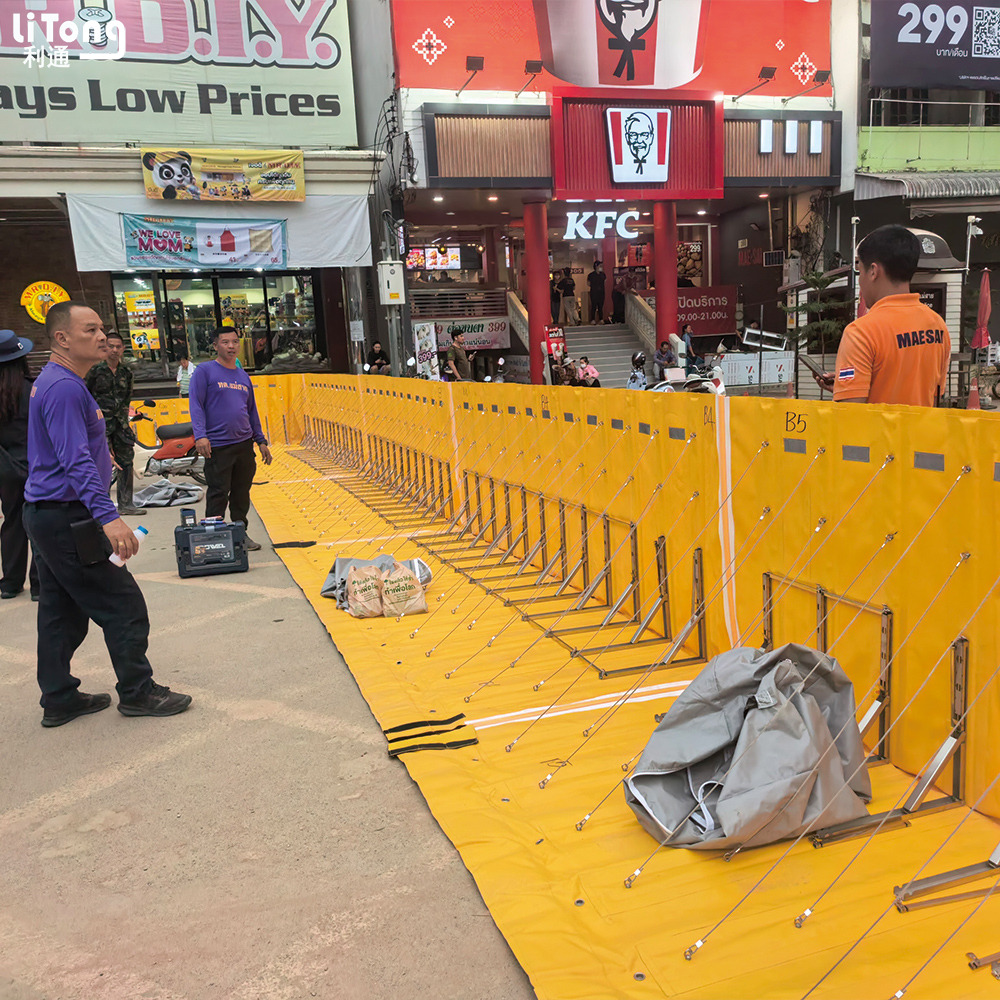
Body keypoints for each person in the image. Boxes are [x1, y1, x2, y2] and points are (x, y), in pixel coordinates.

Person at [23, 301, 191, 726]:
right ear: (62, 338)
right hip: (68, 517)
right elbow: (74, 459)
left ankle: (59, 697)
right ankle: (137, 692)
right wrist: (109, 517)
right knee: (123, 604)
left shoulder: (62, 382)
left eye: (102, 329)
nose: (102, 337)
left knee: (62, 611)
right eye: (90, 330)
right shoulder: (63, 388)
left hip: (49, 513)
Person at [815, 225, 951, 406]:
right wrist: (847, 385)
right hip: (922, 434)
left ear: (873, 271)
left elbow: (850, 412)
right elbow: (935, 396)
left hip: (877, 435)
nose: (860, 280)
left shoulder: (861, 332)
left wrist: (848, 391)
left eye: (860, 271)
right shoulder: (937, 325)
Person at [190, 328, 273, 551]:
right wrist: (201, 436)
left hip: (244, 444)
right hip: (217, 445)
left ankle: (239, 533)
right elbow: (196, 405)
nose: (231, 346)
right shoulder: (205, 371)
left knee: (241, 493)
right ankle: (214, 537)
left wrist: (261, 440)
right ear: (215, 345)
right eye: (225, 342)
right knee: (218, 492)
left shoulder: (242, 375)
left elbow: (251, 410)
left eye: (235, 342)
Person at [86, 330, 144, 517]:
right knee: (99, 463)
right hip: (99, 424)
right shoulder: (95, 370)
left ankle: (126, 503)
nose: (114, 350)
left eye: (118, 347)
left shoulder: (126, 372)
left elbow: (127, 397)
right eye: (110, 346)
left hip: (120, 423)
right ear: (105, 348)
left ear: (123, 349)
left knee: (126, 460)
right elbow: (86, 395)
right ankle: (100, 505)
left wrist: (125, 419)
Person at [0, 329, 39, 600]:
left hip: (5, 469)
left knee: (12, 522)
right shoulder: (33, 389)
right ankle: (40, 585)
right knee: (38, 523)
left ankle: (11, 583)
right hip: (37, 467)